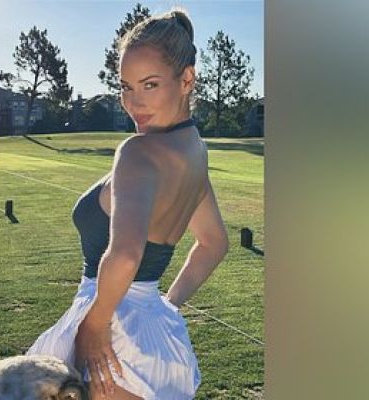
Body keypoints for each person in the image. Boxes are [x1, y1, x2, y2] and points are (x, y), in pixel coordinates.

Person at [26, 8, 229, 400]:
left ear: (187, 80)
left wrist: (94, 326)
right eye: (125, 87)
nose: (134, 103)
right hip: (151, 333)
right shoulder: (194, 154)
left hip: (112, 335)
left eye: (150, 85)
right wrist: (165, 305)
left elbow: (124, 255)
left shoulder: (138, 153)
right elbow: (214, 243)